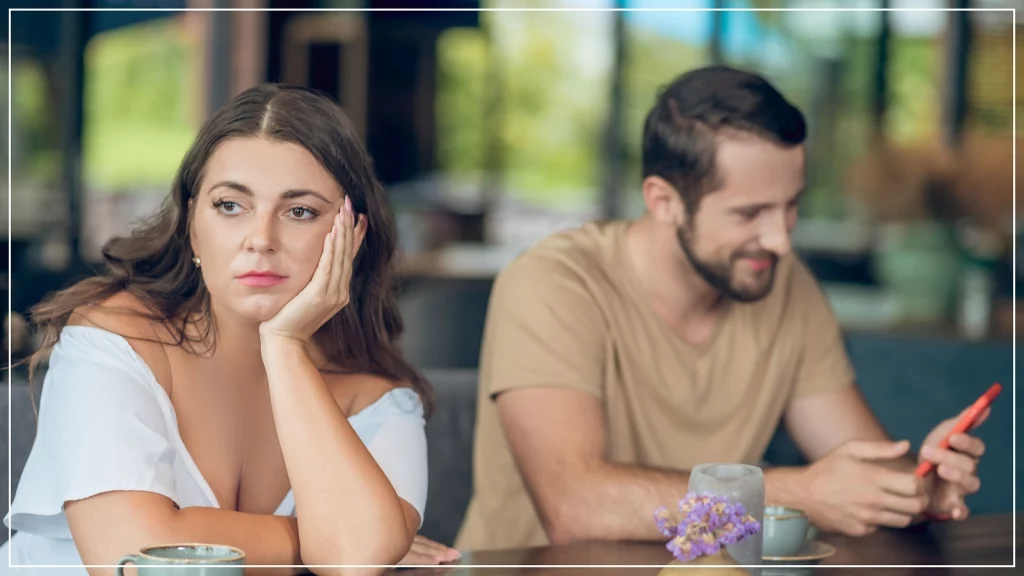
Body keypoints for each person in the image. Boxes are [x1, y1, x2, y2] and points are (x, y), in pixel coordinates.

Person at [455, 66, 989, 552]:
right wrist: (802, 491)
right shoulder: (554, 282)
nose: (780, 240)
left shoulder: (785, 286)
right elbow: (576, 508)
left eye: (791, 205)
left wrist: (918, 488)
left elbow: (859, 468)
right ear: (664, 201)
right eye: (750, 213)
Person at [1, 84, 459, 575]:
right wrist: (322, 540)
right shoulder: (112, 342)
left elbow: (356, 560)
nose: (261, 240)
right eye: (230, 206)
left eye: (299, 211)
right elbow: (133, 556)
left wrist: (285, 347)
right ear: (192, 225)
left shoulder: (380, 402)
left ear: (353, 236)